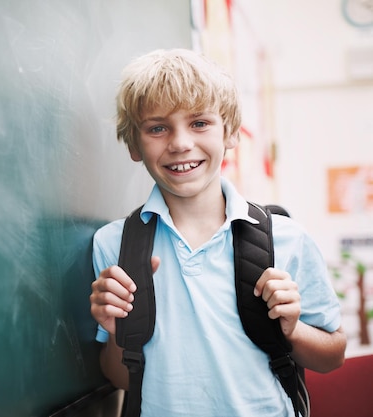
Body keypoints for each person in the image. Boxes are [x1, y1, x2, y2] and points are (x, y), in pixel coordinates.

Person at [89, 48, 346, 417]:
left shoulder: (286, 239)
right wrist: (117, 332)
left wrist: (291, 328)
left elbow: (332, 357)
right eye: (158, 127)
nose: (180, 143)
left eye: (199, 123)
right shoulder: (114, 245)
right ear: (133, 144)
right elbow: (122, 378)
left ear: (230, 132)